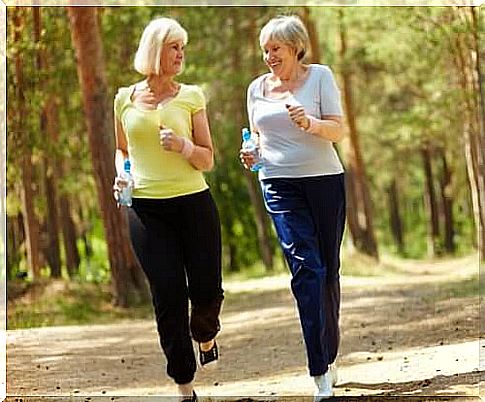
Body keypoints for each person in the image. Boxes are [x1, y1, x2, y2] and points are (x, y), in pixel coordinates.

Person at [112, 17, 224, 402]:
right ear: (156, 50)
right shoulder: (124, 98)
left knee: (206, 289)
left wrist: (183, 147)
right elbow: (122, 149)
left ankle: (206, 333)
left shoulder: (191, 96)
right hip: (145, 210)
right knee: (168, 294)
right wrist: (121, 175)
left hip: (194, 203)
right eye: (175, 47)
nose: (182, 55)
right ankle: (184, 384)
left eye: (183, 48)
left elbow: (208, 158)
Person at [240, 15, 346, 400]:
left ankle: (330, 352)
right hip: (278, 183)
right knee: (306, 270)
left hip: (324, 182)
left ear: (295, 47)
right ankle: (318, 370)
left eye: (276, 49)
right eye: (265, 50)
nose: (269, 56)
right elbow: (256, 139)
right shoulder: (256, 88)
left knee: (328, 271)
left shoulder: (319, 77)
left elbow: (337, 129)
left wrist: (311, 123)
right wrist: (250, 154)